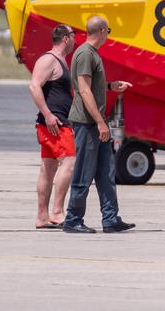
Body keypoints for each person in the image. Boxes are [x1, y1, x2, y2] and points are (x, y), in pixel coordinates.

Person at [63, 16, 135, 234]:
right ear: (102, 30)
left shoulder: (92, 54)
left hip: (95, 123)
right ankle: (73, 219)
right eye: (109, 30)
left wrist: (112, 86)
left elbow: (92, 86)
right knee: (84, 173)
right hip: (87, 123)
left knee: (106, 172)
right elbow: (83, 90)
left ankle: (110, 219)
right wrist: (100, 122)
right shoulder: (85, 54)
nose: (108, 34)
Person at [28, 25, 76, 229]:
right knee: (70, 162)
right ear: (66, 38)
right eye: (73, 35)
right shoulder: (49, 59)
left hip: (55, 122)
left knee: (48, 169)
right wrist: (48, 114)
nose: (75, 39)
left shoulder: (62, 61)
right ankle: (57, 212)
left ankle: (42, 217)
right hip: (55, 123)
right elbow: (34, 85)